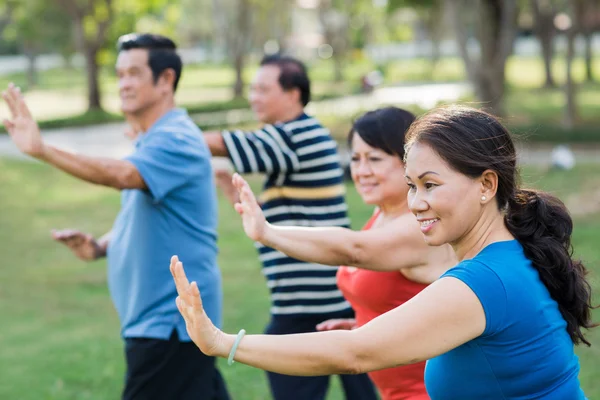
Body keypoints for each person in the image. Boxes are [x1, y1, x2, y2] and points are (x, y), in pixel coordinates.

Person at [171, 105, 596, 399]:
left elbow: (354, 353)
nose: (416, 203)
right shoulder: (508, 257)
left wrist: (223, 342)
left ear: (487, 185)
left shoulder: (482, 283)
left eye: (431, 185)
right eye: (411, 185)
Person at [2, 33, 230, 400]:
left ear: (167, 79)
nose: (123, 83)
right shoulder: (154, 138)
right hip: (164, 322)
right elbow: (152, 216)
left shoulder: (177, 138)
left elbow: (121, 174)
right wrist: (101, 246)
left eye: (134, 73)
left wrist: (43, 150)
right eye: (120, 73)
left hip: (168, 323)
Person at [228, 107, 456, 399]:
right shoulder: (383, 216)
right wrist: (366, 323)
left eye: (374, 159)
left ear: (410, 163)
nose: (361, 171)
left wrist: (268, 233)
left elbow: (354, 250)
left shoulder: (419, 227)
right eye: (355, 158)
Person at [201, 54, 378, 400]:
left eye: (263, 89)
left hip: (316, 303)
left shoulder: (297, 134)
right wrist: (231, 191)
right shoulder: (290, 141)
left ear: (294, 94)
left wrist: (167, 131)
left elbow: (225, 143)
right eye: (252, 89)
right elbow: (277, 222)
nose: (254, 97)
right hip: (319, 298)